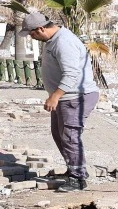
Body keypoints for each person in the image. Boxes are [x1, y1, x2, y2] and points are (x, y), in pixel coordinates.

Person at [22, 11, 97, 191]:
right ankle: (74, 169)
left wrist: (55, 95)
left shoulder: (64, 42)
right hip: (65, 97)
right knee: (58, 134)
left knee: (70, 136)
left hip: (76, 97)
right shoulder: (52, 40)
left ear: (40, 29)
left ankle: (78, 179)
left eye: (31, 33)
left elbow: (72, 73)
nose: (31, 37)